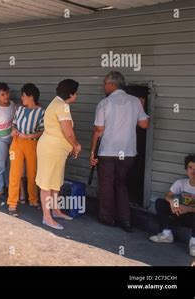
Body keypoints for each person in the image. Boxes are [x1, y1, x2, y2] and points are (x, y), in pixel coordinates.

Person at [90, 71, 149, 233]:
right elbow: (144, 125)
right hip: (128, 152)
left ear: (111, 84)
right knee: (121, 184)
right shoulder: (135, 102)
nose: (104, 87)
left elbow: (98, 130)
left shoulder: (104, 103)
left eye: (105, 84)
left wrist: (93, 152)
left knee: (106, 184)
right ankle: (125, 220)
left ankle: (107, 218)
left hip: (108, 151)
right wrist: (141, 108)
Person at [36, 79, 81, 230]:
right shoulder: (62, 106)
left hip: (55, 150)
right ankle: (47, 217)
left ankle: (55, 211)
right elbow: (68, 132)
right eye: (76, 92)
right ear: (71, 93)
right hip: (51, 150)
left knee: (55, 182)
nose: (77, 95)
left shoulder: (58, 103)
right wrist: (75, 145)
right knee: (47, 184)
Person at [7, 83, 45, 217]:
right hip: (17, 143)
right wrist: (13, 131)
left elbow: (42, 131)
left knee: (32, 173)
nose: (21, 98)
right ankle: (12, 203)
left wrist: (28, 135)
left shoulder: (41, 112)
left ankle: (33, 199)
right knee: (15, 173)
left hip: (32, 144)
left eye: (23, 96)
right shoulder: (20, 110)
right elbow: (14, 125)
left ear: (31, 96)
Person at [149, 154, 195, 256]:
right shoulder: (181, 183)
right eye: (190, 167)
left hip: (193, 217)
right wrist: (173, 203)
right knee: (160, 202)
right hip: (181, 214)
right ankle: (166, 234)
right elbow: (168, 195)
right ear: (186, 169)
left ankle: (194, 243)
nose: (193, 171)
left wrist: (187, 208)